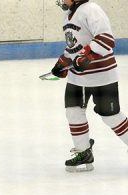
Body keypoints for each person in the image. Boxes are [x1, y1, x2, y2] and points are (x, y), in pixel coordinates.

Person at [50, 0, 127, 172]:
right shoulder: (68, 15)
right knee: (73, 111)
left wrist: (87, 55)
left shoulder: (91, 10)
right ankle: (84, 152)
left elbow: (106, 39)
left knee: (111, 116)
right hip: (78, 78)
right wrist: (63, 62)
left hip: (102, 76)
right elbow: (74, 46)